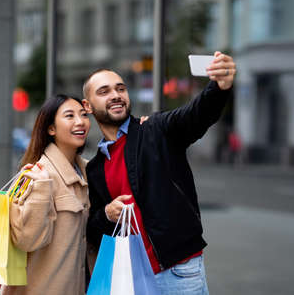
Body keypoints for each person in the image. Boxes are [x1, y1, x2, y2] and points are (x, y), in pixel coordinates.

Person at [82, 51, 236, 294]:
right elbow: (92, 227)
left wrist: (218, 87)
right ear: (87, 106)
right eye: (104, 92)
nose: (115, 95)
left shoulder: (154, 129)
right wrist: (107, 214)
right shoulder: (95, 168)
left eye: (120, 89)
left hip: (178, 272)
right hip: (129, 277)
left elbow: (194, 115)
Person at [2, 94, 91, 295]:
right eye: (69, 116)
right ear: (51, 128)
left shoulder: (86, 171)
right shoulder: (37, 175)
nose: (80, 121)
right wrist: (42, 189)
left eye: (84, 115)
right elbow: (26, 240)